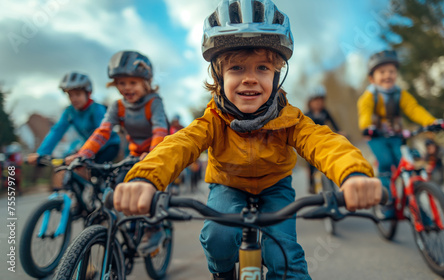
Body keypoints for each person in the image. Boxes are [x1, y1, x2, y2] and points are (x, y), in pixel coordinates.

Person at [114, 1, 382, 279]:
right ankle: (223, 273)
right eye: (237, 68)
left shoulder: (290, 119)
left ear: (277, 75)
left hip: (274, 186)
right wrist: (144, 179)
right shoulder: (213, 120)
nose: (250, 79)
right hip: (228, 184)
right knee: (218, 237)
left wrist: (353, 175)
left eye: (263, 68)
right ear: (219, 76)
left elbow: (324, 142)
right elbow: (177, 145)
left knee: (284, 256)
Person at [66, 50, 170, 255]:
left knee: (149, 192)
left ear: (146, 82)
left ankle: (155, 229)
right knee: (117, 191)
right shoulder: (118, 106)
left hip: (156, 155)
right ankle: (126, 229)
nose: (126, 88)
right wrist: (83, 154)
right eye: (121, 83)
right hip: (133, 156)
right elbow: (102, 131)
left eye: (132, 82)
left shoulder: (154, 102)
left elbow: (160, 130)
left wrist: (152, 155)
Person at [357, 50, 444, 217]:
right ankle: (387, 201)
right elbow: (365, 113)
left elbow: (414, 109)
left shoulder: (400, 94)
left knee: (407, 165)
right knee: (385, 163)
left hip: (397, 136)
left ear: (396, 74)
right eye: (382, 72)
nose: (387, 76)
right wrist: (367, 126)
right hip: (377, 137)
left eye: (391, 71)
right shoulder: (369, 96)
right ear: (372, 78)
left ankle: (415, 205)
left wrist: (431, 122)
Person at [26, 72, 121, 186]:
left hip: (108, 146)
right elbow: (57, 131)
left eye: (78, 94)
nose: (74, 98)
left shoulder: (96, 109)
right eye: (70, 95)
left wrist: (85, 155)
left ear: (88, 93)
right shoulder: (69, 112)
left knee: (94, 174)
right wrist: (41, 153)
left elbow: (101, 134)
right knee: (70, 169)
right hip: (87, 148)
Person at [304, 85, 344, 193]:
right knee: (310, 164)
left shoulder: (325, 112)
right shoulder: (307, 115)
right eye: (315, 101)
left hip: (324, 141)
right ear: (310, 102)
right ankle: (311, 183)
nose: (318, 103)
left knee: (330, 160)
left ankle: (333, 181)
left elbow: (334, 123)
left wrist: (339, 132)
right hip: (311, 143)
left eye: (321, 100)